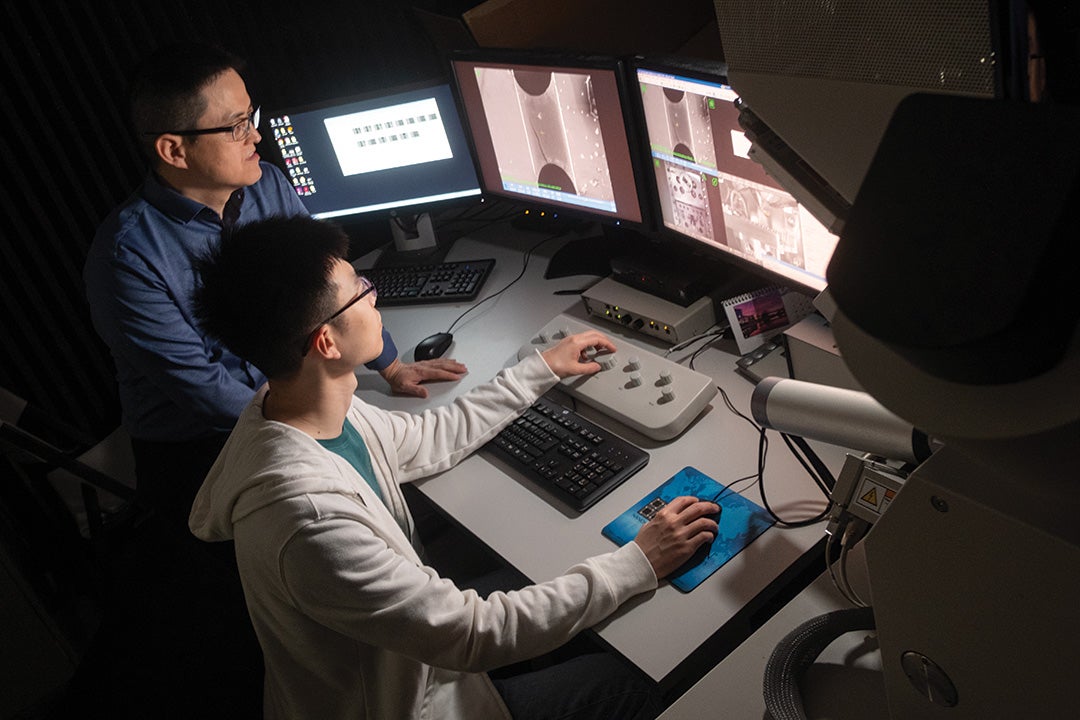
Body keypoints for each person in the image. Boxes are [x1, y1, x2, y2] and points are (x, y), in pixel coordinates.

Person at [188, 215, 721, 720]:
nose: (376, 297)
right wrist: (640, 562)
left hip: (414, 659)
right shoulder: (309, 523)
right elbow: (474, 634)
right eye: (360, 291)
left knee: (539, 577)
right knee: (632, 681)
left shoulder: (294, 405)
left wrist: (536, 373)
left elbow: (423, 437)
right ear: (326, 342)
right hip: (409, 705)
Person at [83, 42, 465, 525]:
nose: (256, 136)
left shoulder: (268, 185)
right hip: (204, 446)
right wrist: (324, 431)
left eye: (252, 116)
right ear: (173, 149)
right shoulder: (127, 259)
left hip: (295, 400)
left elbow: (332, 288)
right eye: (236, 126)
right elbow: (205, 390)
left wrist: (390, 367)